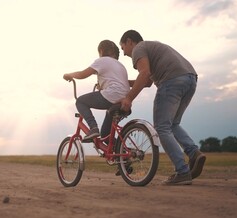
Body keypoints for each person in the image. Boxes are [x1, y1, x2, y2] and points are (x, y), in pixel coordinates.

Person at [119, 30, 206, 185]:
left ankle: (182, 171)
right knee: (173, 124)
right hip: (190, 79)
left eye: (123, 47)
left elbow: (144, 74)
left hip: (171, 80)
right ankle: (194, 153)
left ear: (130, 41)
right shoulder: (152, 46)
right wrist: (126, 83)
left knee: (161, 127)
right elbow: (147, 82)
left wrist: (128, 98)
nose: (123, 53)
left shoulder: (138, 49)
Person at [63, 40, 130, 143]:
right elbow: (114, 81)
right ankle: (122, 151)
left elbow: (82, 74)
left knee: (80, 101)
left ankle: (93, 127)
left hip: (112, 96)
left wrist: (70, 75)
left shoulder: (102, 60)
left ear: (101, 51)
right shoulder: (120, 66)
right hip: (125, 100)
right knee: (106, 135)